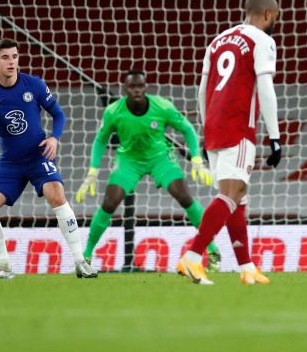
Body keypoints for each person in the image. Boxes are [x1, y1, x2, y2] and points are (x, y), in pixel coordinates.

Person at [0, 38, 97, 279]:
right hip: (10, 163)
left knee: (57, 194)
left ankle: (81, 261)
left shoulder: (34, 85)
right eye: (6, 57)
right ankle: (4, 266)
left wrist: (54, 138)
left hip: (38, 155)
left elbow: (59, 115)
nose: (12, 62)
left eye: (15, 57)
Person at [176, 0, 283, 285]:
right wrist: (275, 136)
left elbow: (201, 90)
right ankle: (193, 257)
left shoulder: (217, 41)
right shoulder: (262, 40)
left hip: (213, 127)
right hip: (239, 127)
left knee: (239, 196)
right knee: (230, 194)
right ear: (267, 15)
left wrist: (205, 127)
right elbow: (265, 88)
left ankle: (247, 267)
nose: (276, 24)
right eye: (276, 18)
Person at [76, 70, 221, 271]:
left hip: (160, 157)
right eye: (132, 87)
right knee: (110, 201)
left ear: (145, 88)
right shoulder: (113, 111)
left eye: (140, 86)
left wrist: (197, 159)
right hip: (129, 159)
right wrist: (92, 172)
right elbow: (100, 140)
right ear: (125, 89)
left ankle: (213, 250)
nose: (137, 90)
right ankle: (87, 255)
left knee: (184, 196)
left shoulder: (162, 106)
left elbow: (187, 128)